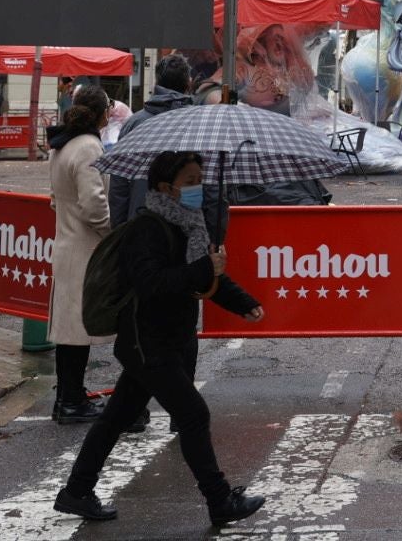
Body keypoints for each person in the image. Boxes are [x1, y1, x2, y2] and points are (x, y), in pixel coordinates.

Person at [54, 151, 266, 528]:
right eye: (190, 181)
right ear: (165, 187)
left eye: (200, 179)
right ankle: (219, 501)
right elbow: (152, 284)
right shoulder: (147, 229)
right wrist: (204, 267)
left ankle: (77, 491)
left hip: (169, 338)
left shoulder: (191, 226)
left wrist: (243, 302)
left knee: (117, 416)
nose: (197, 187)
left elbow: (204, 281)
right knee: (193, 414)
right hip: (146, 342)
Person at [46, 85, 114, 425]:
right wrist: (111, 232)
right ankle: (72, 401)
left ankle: (66, 397)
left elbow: (55, 198)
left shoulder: (61, 145)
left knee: (69, 328)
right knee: (78, 329)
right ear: (102, 114)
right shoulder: (89, 147)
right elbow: (94, 205)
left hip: (66, 242)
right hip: (86, 247)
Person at [109, 54, 194, 227]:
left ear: (157, 83)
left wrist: (119, 229)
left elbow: (120, 182)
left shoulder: (134, 124)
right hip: (187, 228)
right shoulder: (200, 124)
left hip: (141, 227)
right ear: (188, 84)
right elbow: (212, 186)